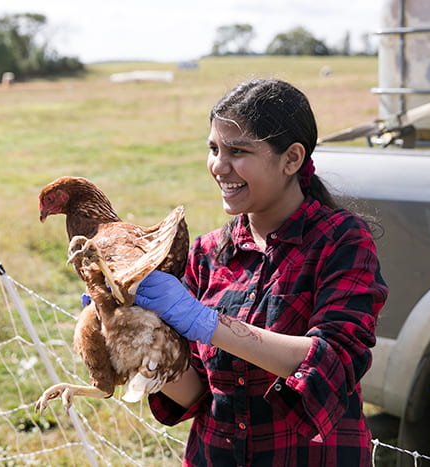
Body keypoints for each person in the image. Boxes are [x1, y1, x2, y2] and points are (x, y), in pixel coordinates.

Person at [133, 79, 388, 466]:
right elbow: (196, 393)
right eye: (214, 149)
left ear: (291, 159)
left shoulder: (341, 241)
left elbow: (333, 361)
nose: (219, 166)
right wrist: (137, 333)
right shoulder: (206, 254)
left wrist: (207, 323)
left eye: (238, 151)